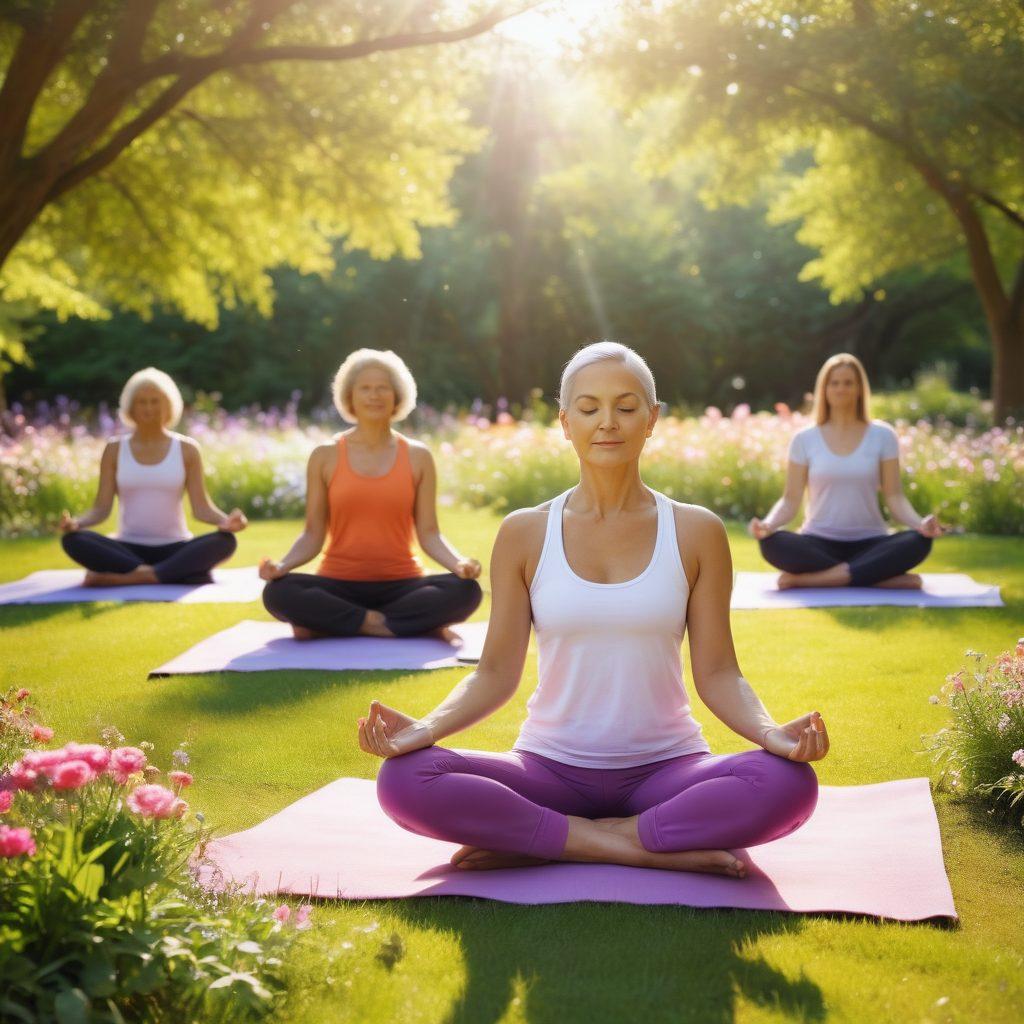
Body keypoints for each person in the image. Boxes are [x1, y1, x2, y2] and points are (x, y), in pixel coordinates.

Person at [360, 342, 826, 879]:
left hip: (668, 769)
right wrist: (426, 728)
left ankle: (547, 839)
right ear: (564, 422)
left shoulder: (697, 531)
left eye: (627, 408)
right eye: (589, 408)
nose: (608, 423)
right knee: (403, 779)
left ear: (652, 420)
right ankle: (630, 844)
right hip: (548, 769)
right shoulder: (524, 533)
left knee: (789, 783)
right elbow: (494, 673)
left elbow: (719, 673)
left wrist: (771, 734)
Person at [260, 349, 482, 640]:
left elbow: (429, 533)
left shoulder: (418, 457)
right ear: (350, 397)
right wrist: (283, 565)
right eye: (365, 388)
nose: (374, 395)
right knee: (279, 592)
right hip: (338, 584)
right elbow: (312, 534)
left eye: (382, 388)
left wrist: (458, 564)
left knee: (466, 591)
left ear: (397, 396)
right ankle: (394, 624)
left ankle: (340, 624)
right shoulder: (324, 456)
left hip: (404, 586)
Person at [750, 354, 942, 590]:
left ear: (860, 389)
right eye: (835, 383)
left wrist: (920, 524)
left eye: (849, 382)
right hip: (818, 543)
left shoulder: (883, 436)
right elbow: (790, 500)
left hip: (871, 542)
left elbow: (895, 497)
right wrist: (768, 525)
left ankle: (812, 580)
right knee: (772, 543)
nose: (841, 388)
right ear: (825, 389)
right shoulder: (804, 439)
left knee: (918, 541)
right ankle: (876, 576)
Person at [59, 367, 246, 586]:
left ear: (168, 405)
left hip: (176, 548)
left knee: (225, 541)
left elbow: (201, 509)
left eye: (155, 401)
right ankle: (175, 574)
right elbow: (101, 509)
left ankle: (134, 577)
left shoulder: (187, 449)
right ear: (131, 408)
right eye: (142, 402)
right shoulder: (114, 449)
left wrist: (228, 522)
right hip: (127, 549)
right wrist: (76, 523)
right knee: (74, 540)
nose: (149, 408)